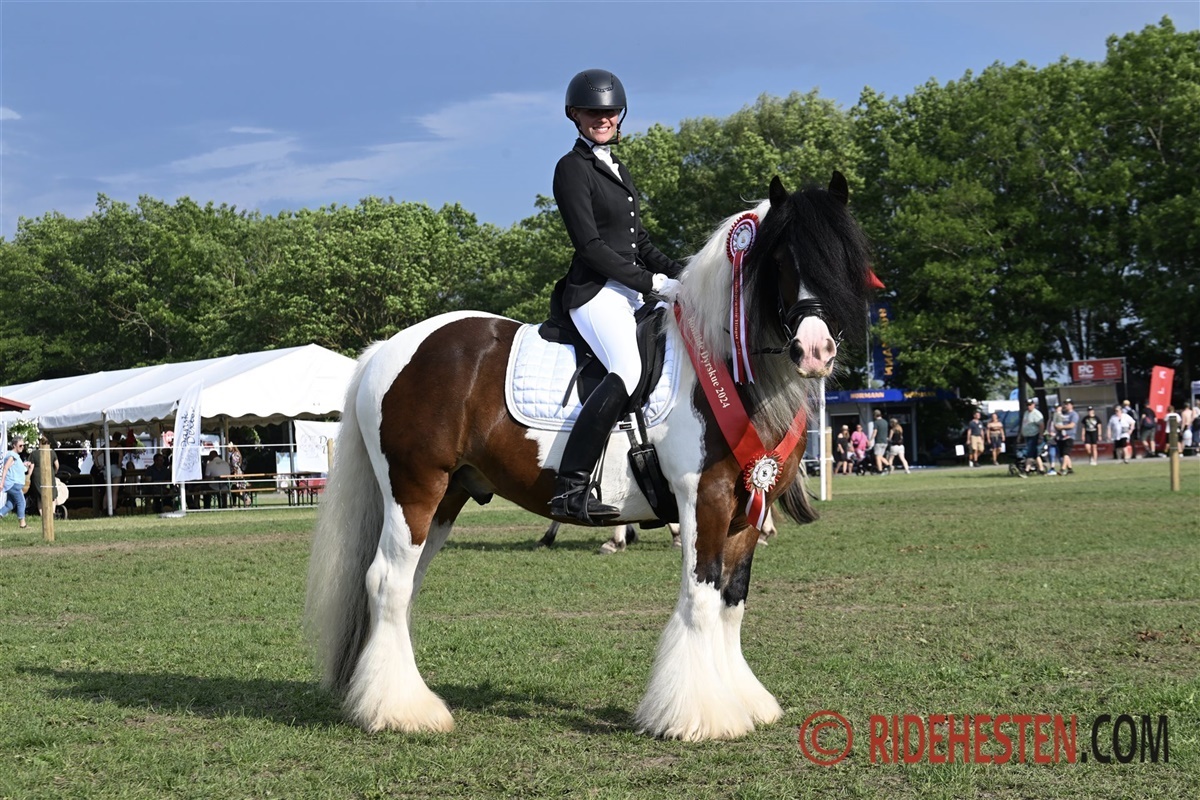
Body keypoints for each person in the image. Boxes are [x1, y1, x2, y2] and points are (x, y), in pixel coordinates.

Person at [548, 69, 684, 522]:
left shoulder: (617, 168)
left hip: (630, 291)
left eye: (609, 112)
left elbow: (639, 243)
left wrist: (686, 274)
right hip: (595, 292)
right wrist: (653, 284)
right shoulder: (571, 168)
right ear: (574, 115)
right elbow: (591, 246)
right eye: (592, 112)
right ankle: (570, 487)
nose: (602, 119)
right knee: (627, 368)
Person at [0, 436, 33, 528]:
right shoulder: (12, 455)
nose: (22, 447)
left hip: (13, 484)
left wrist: (24, 464)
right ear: (14, 445)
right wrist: (2, 483)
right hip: (13, 484)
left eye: (23, 445)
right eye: (20, 445)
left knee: (10, 505)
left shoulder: (15, 456)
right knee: (21, 502)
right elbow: (5, 468)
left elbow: (14, 467)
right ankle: (23, 524)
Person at [1019, 399, 1045, 474]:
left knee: (1030, 453)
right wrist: (1020, 435)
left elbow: (1041, 425)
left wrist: (1040, 436)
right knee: (1035, 454)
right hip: (1027, 436)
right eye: (1027, 405)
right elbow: (1024, 425)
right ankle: (1041, 469)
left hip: (1034, 435)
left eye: (1030, 405)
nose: (1028, 406)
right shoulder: (1026, 413)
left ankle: (1026, 470)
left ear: (1033, 405)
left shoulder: (1036, 414)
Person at [1054, 399, 1079, 475]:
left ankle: (1062, 469)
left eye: (1067, 404)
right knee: (1063, 454)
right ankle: (1070, 469)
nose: (1065, 406)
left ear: (1071, 405)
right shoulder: (1062, 414)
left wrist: (1061, 427)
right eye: (1065, 404)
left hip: (1069, 436)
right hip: (1061, 436)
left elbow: (1072, 425)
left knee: (1066, 453)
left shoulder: (1074, 414)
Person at [226, 442, 250, 506]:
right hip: (238, 472)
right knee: (238, 487)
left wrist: (235, 473)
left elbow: (235, 465)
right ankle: (241, 500)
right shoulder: (237, 454)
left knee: (236, 487)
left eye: (229, 448)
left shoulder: (234, 455)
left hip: (236, 473)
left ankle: (244, 500)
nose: (228, 449)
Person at [871, 409, 890, 474]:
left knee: (877, 457)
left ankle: (880, 470)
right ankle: (888, 465)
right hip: (885, 442)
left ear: (875, 415)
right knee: (880, 456)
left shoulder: (876, 422)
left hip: (879, 441)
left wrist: (870, 439)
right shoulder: (885, 422)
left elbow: (875, 432)